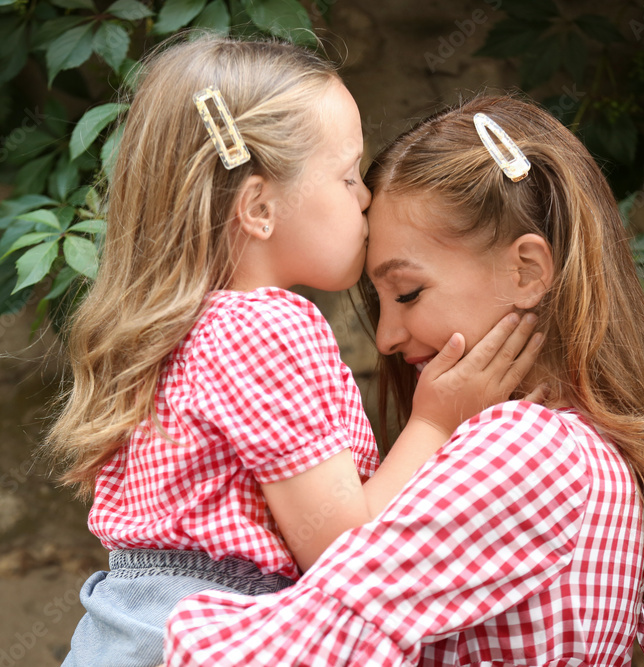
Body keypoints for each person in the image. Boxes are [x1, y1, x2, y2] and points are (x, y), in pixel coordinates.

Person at [162, 95, 644, 666]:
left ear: (526, 270)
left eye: (407, 293)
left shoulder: (527, 450)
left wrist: (169, 621)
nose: (385, 339)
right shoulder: (585, 454)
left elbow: (286, 650)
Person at [46, 38, 542, 667]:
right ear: (258, 207)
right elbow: (345, 553)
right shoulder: (266, 327)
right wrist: (436, 420)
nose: (364, 198)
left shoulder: (177, 331)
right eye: (346, 176)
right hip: (213, 626)